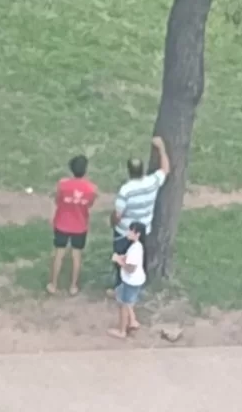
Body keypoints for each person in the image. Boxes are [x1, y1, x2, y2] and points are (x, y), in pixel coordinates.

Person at [109, 136, 169, 291]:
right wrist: (161, 148)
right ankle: (136, 286)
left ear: (129, 171)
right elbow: (165, 170)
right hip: (143, 230)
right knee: (138, 258)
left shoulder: (126, 190)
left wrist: (113, 222)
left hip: (124, 231)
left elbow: (118, 215)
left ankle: (120, 287)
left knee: (121, 258)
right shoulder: (152, 182)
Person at [47, 154, 98, 295]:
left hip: (62, 224)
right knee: (76, 255)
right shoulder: (91, 188)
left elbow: (57, 200)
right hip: (80, 226)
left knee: (59, 253)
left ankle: (53, 284)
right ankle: (73, 286)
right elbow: (90, 204)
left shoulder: (63, 185)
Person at [109, 221, 148, 339]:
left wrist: (119, 261)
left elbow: (131, 268)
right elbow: (129, 258)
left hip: (131, 282)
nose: (128, 232)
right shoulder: (136, 245)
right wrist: (122, 257)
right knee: (121, 295)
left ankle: (122, 332)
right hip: (132, 281)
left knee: (124, 305)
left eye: (131, 231)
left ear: (138, 234)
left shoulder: (135, 249)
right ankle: (132, 321)